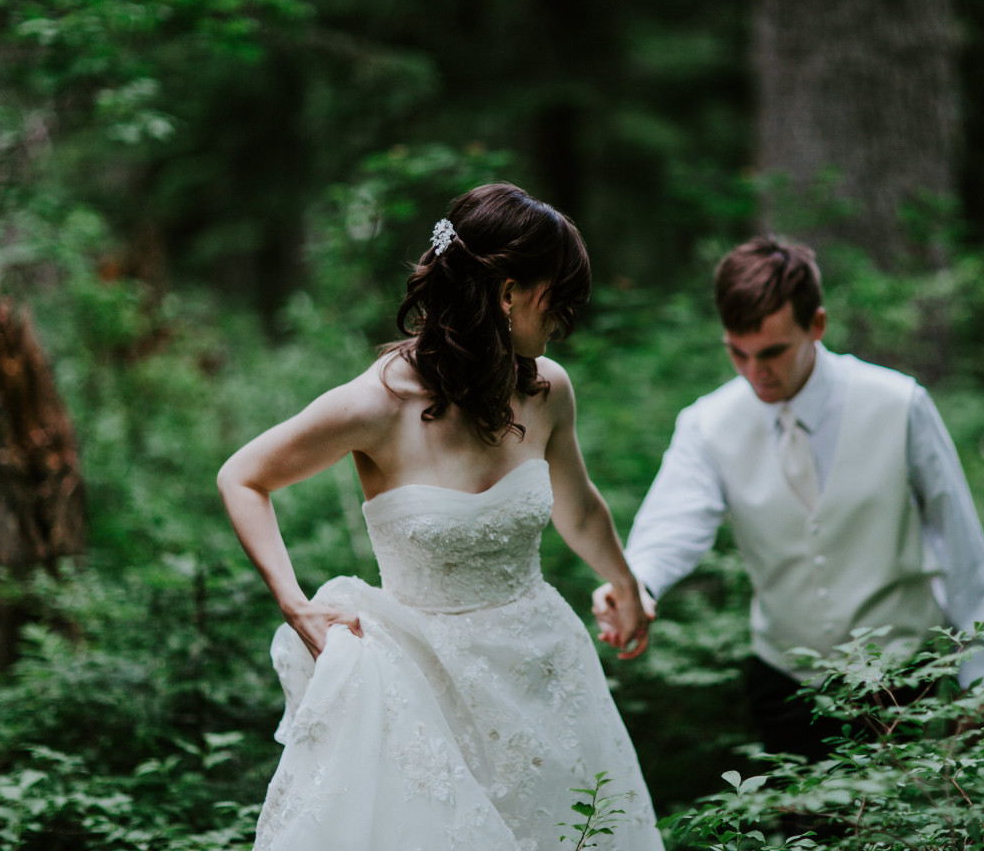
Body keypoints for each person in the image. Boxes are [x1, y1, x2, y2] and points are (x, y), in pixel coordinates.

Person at [218, 183, 664, 851]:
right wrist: (295, 605)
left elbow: (578, 505)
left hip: (544, 668)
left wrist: (626, 586)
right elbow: (243, 477)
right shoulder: (375, 403)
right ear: (509, 293)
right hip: (422, 676)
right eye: (555, 298)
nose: (565, 318)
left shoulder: (546, 389)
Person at [593, 236, 984, 762]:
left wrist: (981, 676)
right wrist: (636, 584)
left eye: (772, 352)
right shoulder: (707, 424)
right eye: (737, 353)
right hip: (785, 684)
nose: (754, 373)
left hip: (906, 677)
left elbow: (961, 543)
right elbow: (674, 521)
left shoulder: (899, 403)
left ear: (817, 325)